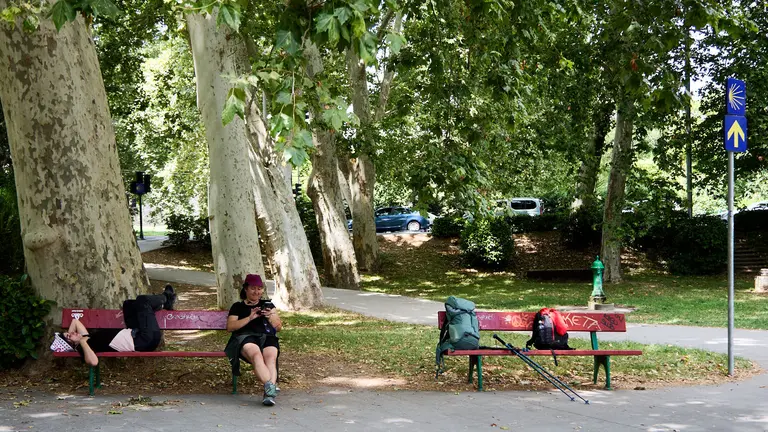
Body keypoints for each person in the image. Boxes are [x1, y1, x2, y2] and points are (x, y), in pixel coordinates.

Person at [60, 285, 176, 366]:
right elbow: (94, 362)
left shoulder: (86, 337)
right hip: (145, 340)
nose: (72, 333)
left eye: (69, 333)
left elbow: (75, 321)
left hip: (136, 332)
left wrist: (70, 337)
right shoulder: (83, 346)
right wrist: (80, 343)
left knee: (129, 304)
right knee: (142, 300)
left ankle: (162, 305)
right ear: (71, 344)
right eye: (69, 336)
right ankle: (167, 298)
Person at [224, 274, 282, 406]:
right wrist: (250, 318)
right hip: (246, 337)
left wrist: (270, 316)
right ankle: (271, 389)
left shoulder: (267, 305)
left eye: (259, 288)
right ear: (246, 289)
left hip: (266, 336)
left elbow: (278, 327)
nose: (257, 292)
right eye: (253, 288)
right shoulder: (238, 306)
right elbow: (230, 327)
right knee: (256, 355)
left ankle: (269, 392)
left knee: (271, 357)